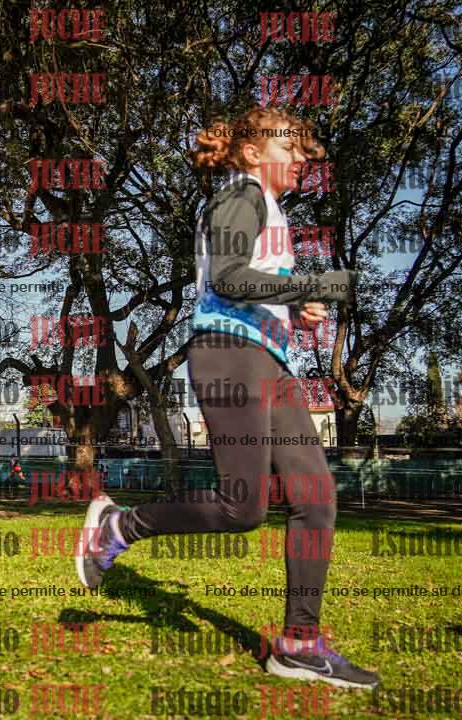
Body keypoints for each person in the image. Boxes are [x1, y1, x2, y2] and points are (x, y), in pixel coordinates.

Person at [75, 108, 379, 689]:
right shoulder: (241, 195)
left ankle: (299, 645)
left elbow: (253, 283)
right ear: (252, 152)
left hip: (270, 361)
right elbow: (230, 277)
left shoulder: (270, 209)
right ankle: (118, 526)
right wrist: (315, 284)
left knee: (316, 497)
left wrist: (292, 307)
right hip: (228, 354)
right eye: (289, 148)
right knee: (243, 507)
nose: (300, 159)